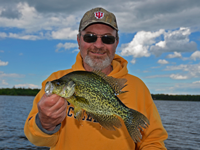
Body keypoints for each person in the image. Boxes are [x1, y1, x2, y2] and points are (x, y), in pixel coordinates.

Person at [24, 7, 168, 150]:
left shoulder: (137, 86)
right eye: (90, 37)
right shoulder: (57, 79)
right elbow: (35, 138)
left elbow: (153, 141)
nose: (98, 45)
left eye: (107, 38)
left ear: (116, 43)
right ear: (79, 40)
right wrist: (45, 123)